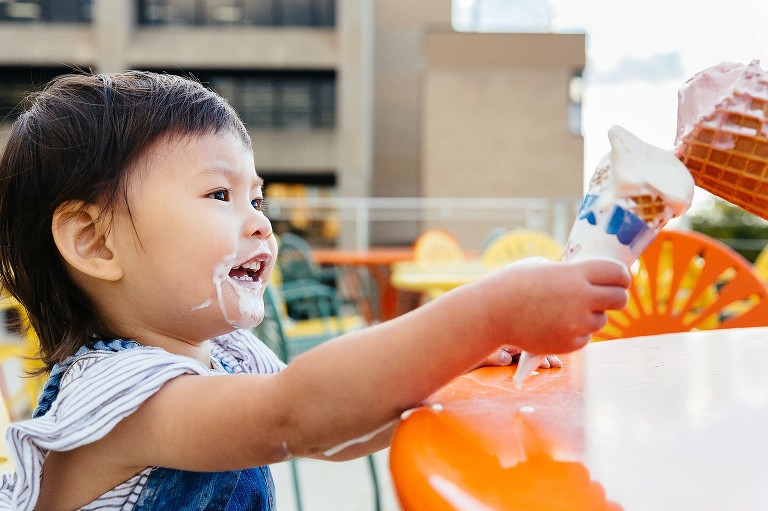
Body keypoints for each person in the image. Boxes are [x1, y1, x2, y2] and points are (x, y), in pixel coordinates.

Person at [0, 71, 630, 510]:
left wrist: (454, 360)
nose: (258, 221)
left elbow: (338, 431)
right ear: (95, 242)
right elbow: (299, 414)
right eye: (220, 195)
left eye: (257, 197)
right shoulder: (117, 401)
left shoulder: (224, 357)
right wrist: (490, 311)